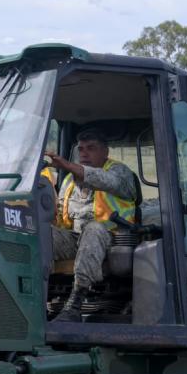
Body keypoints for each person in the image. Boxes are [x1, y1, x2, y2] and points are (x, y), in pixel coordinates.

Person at [44, 128, 137, 323]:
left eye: (91, 148)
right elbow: (60, 214)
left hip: (111, 239)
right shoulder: (69, 180)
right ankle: (36, 297)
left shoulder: (120, 173)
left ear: (105, 152)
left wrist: (67, 165)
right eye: (81, 149)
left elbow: (104, 180)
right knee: (40, 233)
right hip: (75, 238)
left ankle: (75, 304)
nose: (84, 153)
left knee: (94, 229)